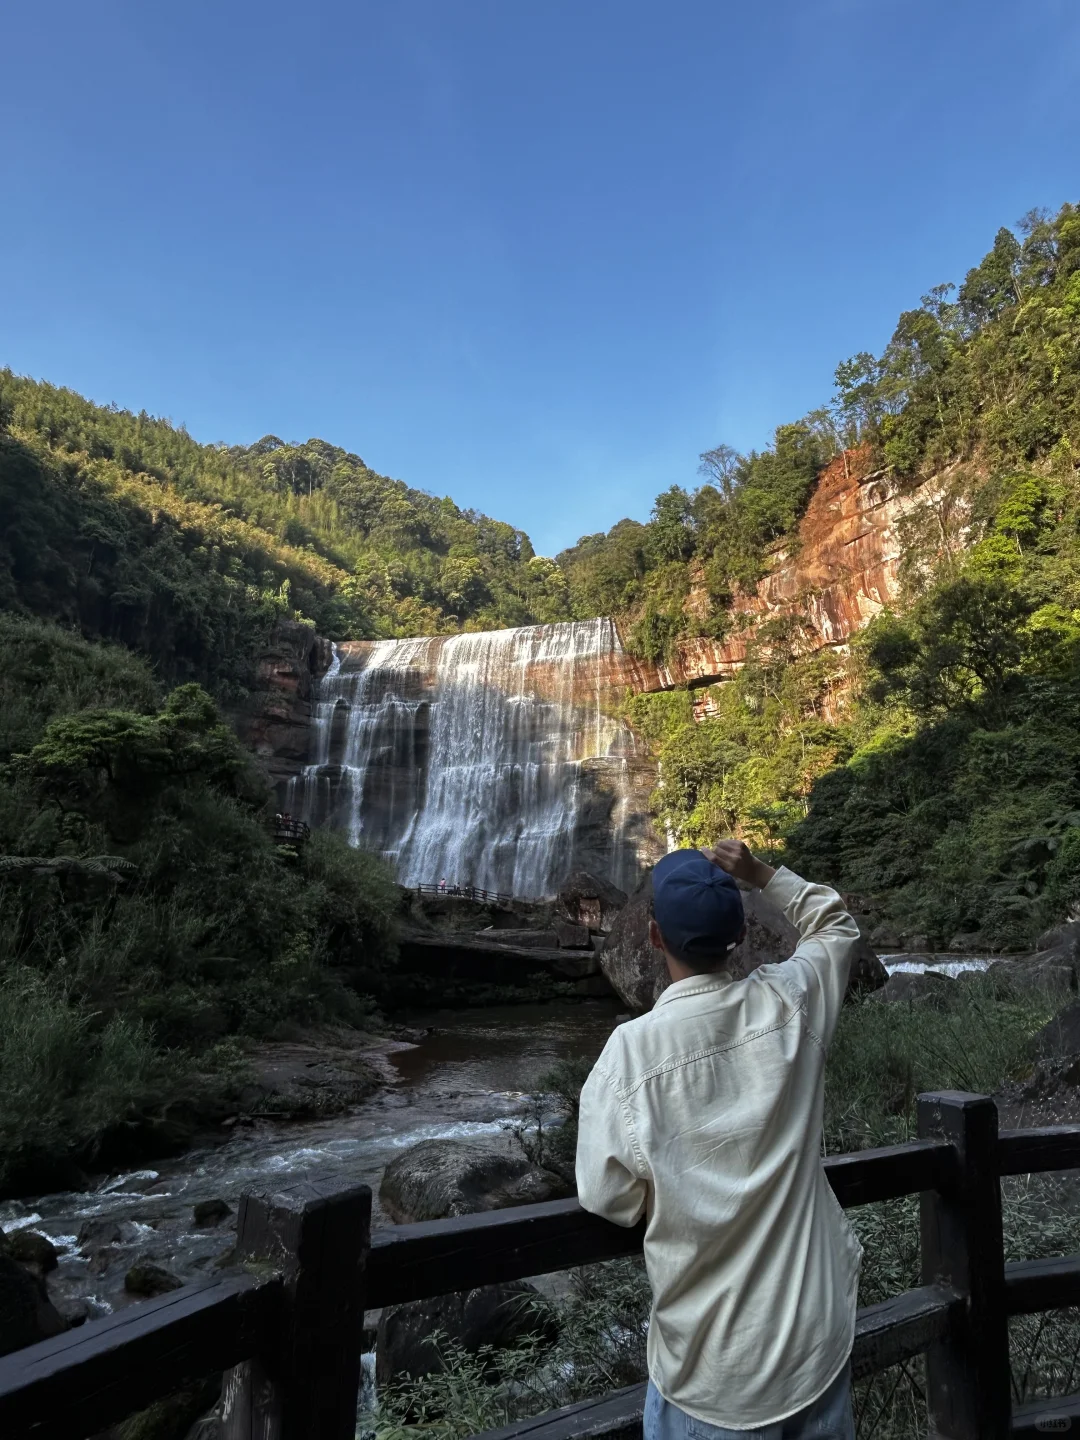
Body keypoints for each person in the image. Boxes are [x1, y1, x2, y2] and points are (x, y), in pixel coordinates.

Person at [575, 840, 862, 1440]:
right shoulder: (791, 1003)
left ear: (654, 938)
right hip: (815, 1345)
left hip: (711, 1372)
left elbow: (608, 1197)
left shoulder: (630, 1054)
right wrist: (760, 873)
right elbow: (834, 922)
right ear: (739, 936)